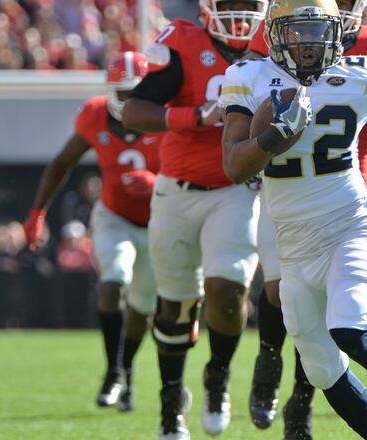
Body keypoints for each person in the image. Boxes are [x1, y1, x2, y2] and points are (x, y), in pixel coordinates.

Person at [220, 0, 367, 437]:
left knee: (347, 326)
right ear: (274, 33)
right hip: (293, 243)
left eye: (317, 31)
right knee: (322, 369)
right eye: (297, 31)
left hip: (349, 222)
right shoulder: (249, 78)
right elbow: (235, 165)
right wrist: (274, 137)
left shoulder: (358, 74)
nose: (308, 44)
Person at [120, 1, 267, 437]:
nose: (239, 11)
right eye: (230, 2)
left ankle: (217, 376)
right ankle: (170, 404)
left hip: (235, 189)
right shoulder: (183, 40)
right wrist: (192, 117)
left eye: (248, 3)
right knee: (174, 306)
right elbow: (134, 110)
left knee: (227, 290)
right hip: (177, 190)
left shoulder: (275, 45)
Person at [23, 51, 160, 411]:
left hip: (161, 219)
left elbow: (195, 169)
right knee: (112, 281)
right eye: (124, 94)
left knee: (142, 310)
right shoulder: (94, 114)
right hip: (114, 215)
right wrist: (37, 212)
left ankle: (125, 370)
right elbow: (62, 162)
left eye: (137, 93)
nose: (130, 102)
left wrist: (158, 182)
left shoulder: (166, 116)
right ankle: (113, 371)